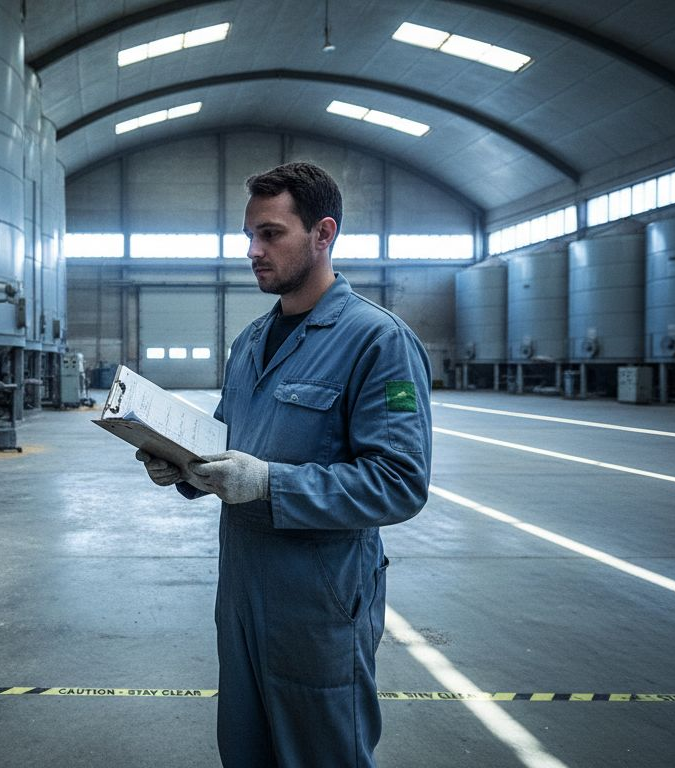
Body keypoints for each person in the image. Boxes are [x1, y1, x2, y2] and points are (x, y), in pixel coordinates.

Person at [135, 162, 432, 767]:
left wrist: (269, 484)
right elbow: (223, 442)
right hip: (243, 589)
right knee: (245, 750)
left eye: (271, 234)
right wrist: (179, 463)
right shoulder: (250, 342)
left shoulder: (377, 341)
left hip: (318, 598)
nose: (252, 250)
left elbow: (399, 483)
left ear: (323, 235)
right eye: (249, 234)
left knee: (323, 754)